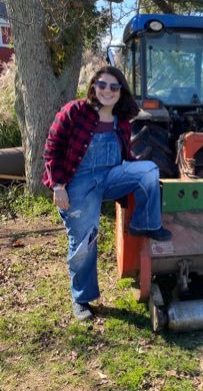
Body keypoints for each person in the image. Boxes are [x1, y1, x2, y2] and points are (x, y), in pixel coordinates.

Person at [42, 66, 172, 321]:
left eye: (114, 87)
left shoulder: (121, 120)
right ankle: (81, 298)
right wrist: (58, 185)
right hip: (79, 182)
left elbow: (125, 156)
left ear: (121, 91)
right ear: (93, 86)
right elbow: (52, 148)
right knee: (84, 243)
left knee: (149, 170)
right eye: (102, 85)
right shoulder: (74, 111)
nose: (107, 91)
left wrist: (134, 175)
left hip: (110, 176)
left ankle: (145, 224)